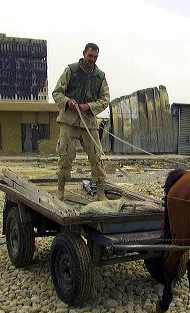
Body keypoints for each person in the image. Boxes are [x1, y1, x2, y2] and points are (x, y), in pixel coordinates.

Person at [52, 42, 110, 200]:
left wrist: (88, 106)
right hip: (69, 121)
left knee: (96, 157)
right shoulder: (71, 70)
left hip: (89, 123)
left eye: (95, 57)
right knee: (65, 155)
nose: (92, 59)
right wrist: (67, 101)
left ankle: (100, 192)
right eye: (90, 56)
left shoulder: (100, 76)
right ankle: (60, 190)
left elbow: (105, 99)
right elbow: (57, 92)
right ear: (84, 53)